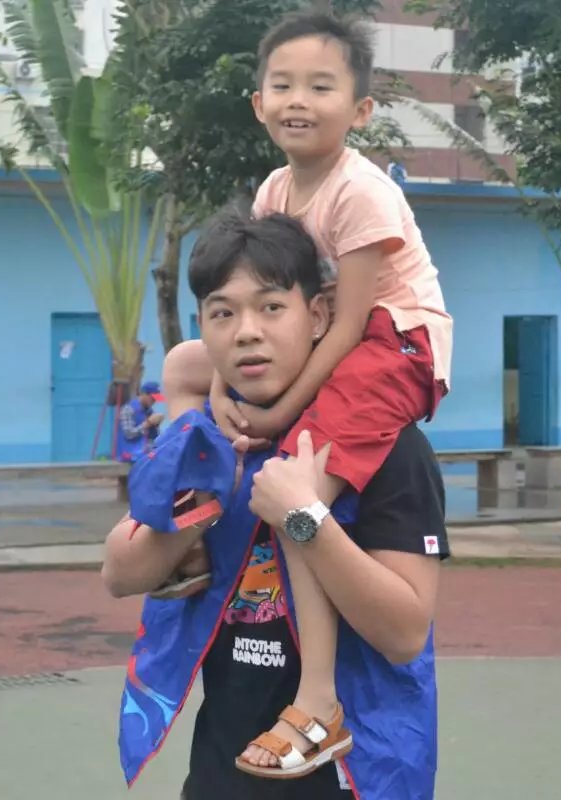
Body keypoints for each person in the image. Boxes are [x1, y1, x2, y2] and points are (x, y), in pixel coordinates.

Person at [102, 210, 448, 799]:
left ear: (318, 317)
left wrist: (305, 519)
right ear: (203, 327)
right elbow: (120, 571)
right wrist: (207, 498)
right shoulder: (208, 433)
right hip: (222, 777)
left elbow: (404, 632)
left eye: (270, 307)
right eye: (222, 313)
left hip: (356, 778)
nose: (246, 332)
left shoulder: (386, 446)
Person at [189, 10, 454, 779]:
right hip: (335, 340)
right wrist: (220, 386)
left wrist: (274, 412)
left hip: (394, 343)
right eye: (283, 85)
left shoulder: (362, 193)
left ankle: (318, 701)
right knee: (178, 367)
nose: (298, 100)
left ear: (360, 109)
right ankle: (181, 516)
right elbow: (254, 294)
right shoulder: (275, 189)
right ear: (258, 104)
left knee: (299, 485)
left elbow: (347, 329)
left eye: (321, 86)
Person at [114, 381, 164, 463]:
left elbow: (152, 438)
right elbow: (129, 434)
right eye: (152, 398)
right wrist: (148, 423)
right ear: (143, 394)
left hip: (144, 452)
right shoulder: (128, 409)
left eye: (156, 399)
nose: (154, 401)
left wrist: (156, 424)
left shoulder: (149, 411)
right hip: (129, 453)